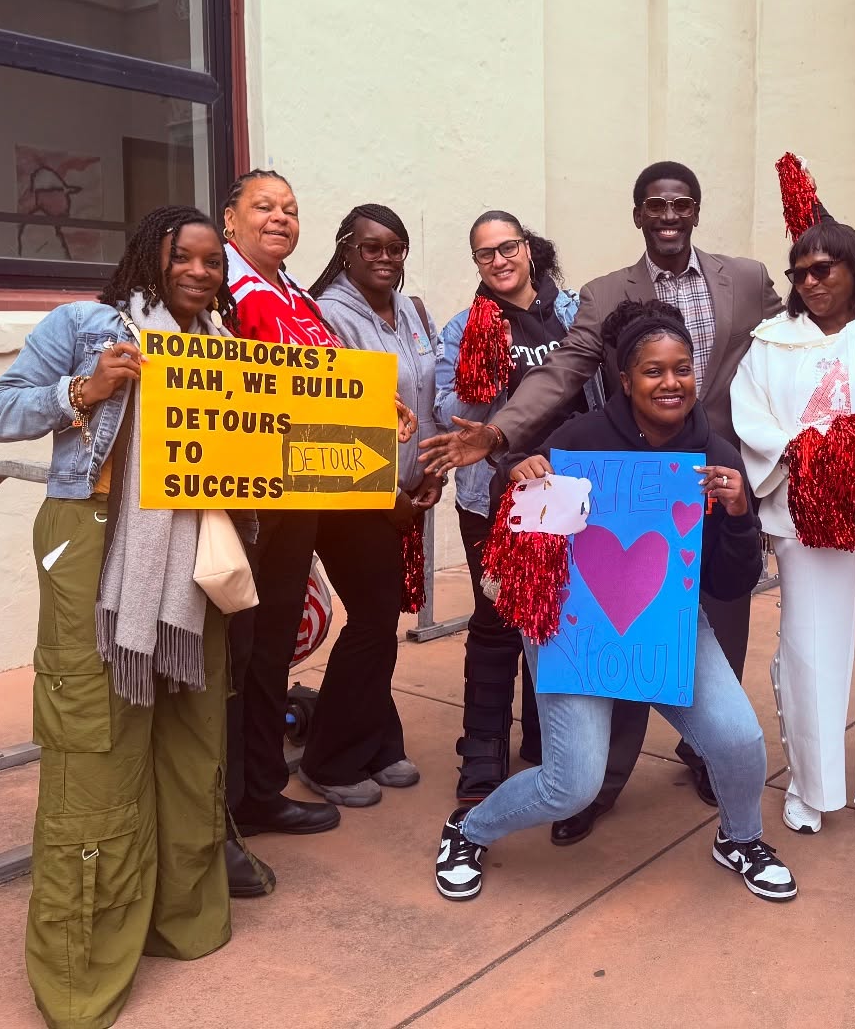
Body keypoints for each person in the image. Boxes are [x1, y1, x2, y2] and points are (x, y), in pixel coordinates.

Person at [421, 161, 784, 843]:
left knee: (724, 695)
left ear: (697, 210)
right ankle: (589, 788)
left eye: (681, 203)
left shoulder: (749, 279)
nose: (669, 214)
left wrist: (743, 504)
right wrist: (504, 442)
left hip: (704, 477)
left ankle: (719, 786)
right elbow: (562, 374)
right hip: (612, 514)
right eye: (655, 204)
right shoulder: (590, 394)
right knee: (585, 741)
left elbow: (797, 338)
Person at [434, 300, 796, 903]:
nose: (670, 383)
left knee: (739, 740)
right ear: (625, 380)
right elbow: (516, 513)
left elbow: (734, 584)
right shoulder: (582, 438)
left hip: (662, 616)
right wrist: (518, 475)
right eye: (653, 371)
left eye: (682, 369)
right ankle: (468, 831)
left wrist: (737, 515)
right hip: (571, 621)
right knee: (570, 785)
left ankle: (739, 837)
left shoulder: (717, 458)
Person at [0, 206, 235, 1029]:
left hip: (197, 566)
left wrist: (371, 433)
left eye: (211, 262)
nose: (199, 272)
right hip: (98, 550)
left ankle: (179, 918)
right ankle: (81, 963)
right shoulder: (86, 324)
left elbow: (275, 443)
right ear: (148, 255)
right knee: (97, 746)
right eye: (183, 257)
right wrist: (84, 389)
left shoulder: (228, 350)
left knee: (192, 740)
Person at [732, 222, 855, 841]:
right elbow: (753, 415)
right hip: (807, 512)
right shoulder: (770, 340)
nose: (811, 282)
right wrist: (805, 452)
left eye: (825, 269)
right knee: (810, 646)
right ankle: (811, 785)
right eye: (800, 273)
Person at [435, 210, 603, 802]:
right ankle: (481, 750)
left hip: (575, 489)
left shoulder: (579, 309)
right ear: (477, 264)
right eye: (486, 254)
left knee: (559, 614)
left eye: (508, 248)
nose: (500, 261)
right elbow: (449, 411)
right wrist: (482, 367)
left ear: (529, 249)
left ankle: (545, 738)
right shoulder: (463, 328)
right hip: (497, 492)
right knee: (497, 618)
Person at [295, 203, 444, 806]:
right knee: (375, 621)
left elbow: (427, 392)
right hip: (348, 499)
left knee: (380, 620)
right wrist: (386, 496)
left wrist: (431, 472)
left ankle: (378, 742)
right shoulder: (328, 314)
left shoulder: (410, 310)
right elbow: (331, 416)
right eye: (372, 246)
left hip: (407, 493)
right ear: (347, 249)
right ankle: (329, 759)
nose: (385, 257)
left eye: (395, 247)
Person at [220, 169, 343, 888]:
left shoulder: (295, 294)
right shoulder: (227, 292)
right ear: (230, 220)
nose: (280, 218)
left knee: (270, 653)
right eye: (263, 207)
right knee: (238, 655)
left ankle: (261, 789)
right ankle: (229, 803)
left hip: (299, 492)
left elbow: (325, 382)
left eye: (291, 209)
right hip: (248, 499)